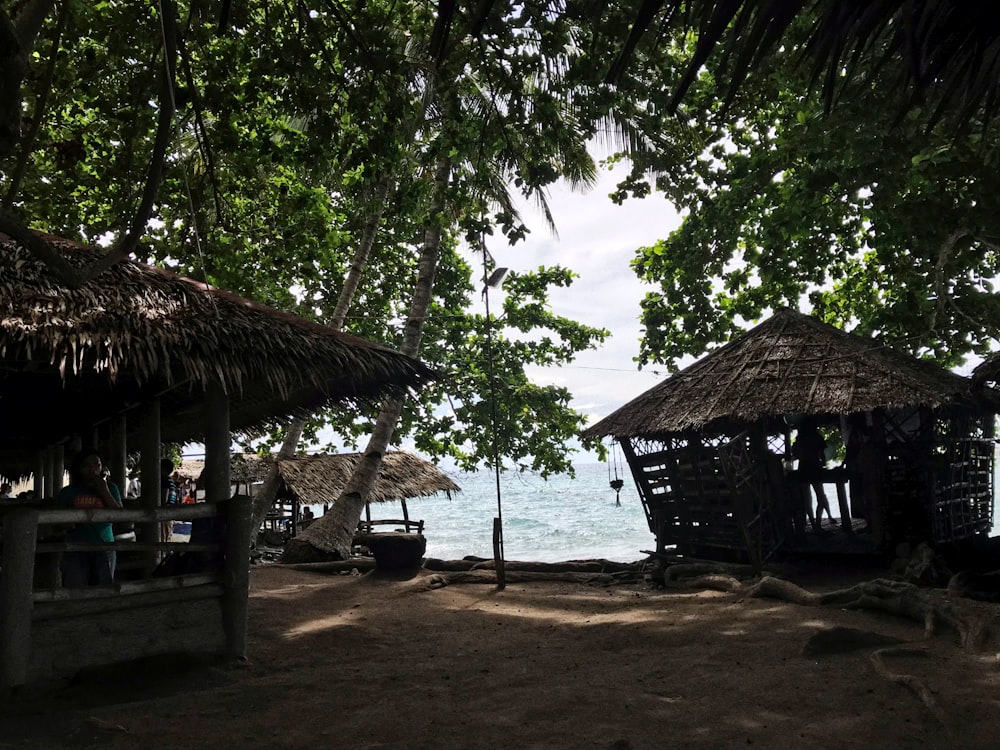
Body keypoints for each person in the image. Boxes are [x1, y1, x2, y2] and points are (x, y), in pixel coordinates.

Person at [59, 449, 123, 587]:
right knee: (75, 588)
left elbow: (120, 515)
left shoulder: (111, 488)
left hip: (105, 545)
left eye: (97, 464)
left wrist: (103, 490)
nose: (93, 469)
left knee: (103, 589)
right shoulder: (68, 492)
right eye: (87, 465)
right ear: (79, 469)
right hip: (76, 547)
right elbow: (58, 522)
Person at [793, 419, 835, 530]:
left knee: (807, 498)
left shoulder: (799, 439)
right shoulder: (817, 437)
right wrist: (823, 464)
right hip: (815, 467)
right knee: (820, 496)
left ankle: (812, 522)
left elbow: (795, 454)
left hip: (803, 468)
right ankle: (818, 523)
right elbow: (822, 456)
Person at [161, 458, 180, 542]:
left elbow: (164, 496)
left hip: (163, 512)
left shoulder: (164, 480)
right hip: (170, 512)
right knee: (167, 537)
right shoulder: (171, 482)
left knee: (162, 537)